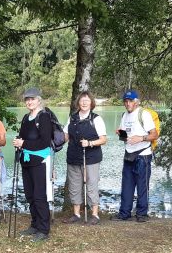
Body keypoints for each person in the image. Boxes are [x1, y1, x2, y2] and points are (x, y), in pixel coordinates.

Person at [12, 88, 53, 242]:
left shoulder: (44, 117)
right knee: (30, 195)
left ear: (39, 100)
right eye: (27, 99)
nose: (29, 102)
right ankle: (34, 224)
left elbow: (44, 142)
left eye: (32, 99)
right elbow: (23, 137)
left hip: (40, 161)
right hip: (27, 160)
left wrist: (24, 143)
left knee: (39, 196)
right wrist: (18, 142)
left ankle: (43, 229)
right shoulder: (25, 118)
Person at [112, 90, 158, 222]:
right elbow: (126, 137)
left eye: (130, 101)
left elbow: (154, 135)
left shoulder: (144, 114)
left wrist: (141, 138)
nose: (128, 103)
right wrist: (120, 134)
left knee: (142, 185)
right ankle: (124, 213)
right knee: (126, 185)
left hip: (143, 155)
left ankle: (141, 214)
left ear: (136, 102)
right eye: (125, 101)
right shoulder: (124, 115)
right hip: (128, 154)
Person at [63, 92, 107, 225]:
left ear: (91, 103)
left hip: (91, 158)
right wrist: (55, 142)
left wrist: (90, 143)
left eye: (87, 100)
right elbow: (66, 136)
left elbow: (103, 139)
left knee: (91, 185)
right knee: (75, 185)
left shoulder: (96, 119)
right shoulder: (72, 118)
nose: (84, 103)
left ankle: (94, 214)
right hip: (73, 156)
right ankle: (76, 213)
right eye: (82, 100)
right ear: (78, 102)